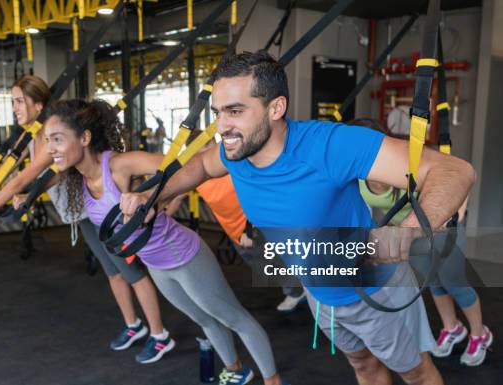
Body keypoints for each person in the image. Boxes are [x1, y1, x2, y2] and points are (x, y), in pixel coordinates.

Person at [120, 51, 476, 385]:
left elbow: (454, 171)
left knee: (416, 374)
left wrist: (408, 232)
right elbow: (199, 165)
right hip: (321, 291)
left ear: (276, 107)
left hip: (373, 287)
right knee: (362, 364)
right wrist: (154, 196)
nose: (222, 126)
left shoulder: (329, 145)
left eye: (235, 111)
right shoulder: (236, 151)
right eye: (217, 112)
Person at [42, 98, 288, 385]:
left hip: (184, 255)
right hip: (156, 264)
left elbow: (180, 168)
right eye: (47, 141)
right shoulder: (76, 180)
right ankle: (236, 371)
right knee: (204, 321)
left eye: (57, 140)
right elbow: (28, 179)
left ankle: (274, 381)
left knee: (234, 318)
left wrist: (155, 199)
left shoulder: (120, 165)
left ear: (84, 138)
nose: (50, 149)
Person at [0, 75, 172, 364]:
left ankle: (160, 336)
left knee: (133, 274)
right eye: (13, 102)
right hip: (86, 215)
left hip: (105, 213)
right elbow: (14, 176)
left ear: (38, 104)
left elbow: (19, 180)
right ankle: (134, 325)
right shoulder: (31, 138)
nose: (15, 108)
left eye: (20, 101)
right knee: (114, 273)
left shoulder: (51, 134)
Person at [352, 118, 492, 367]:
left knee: (455, 284)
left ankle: (480, 334)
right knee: (433, 282)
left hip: (443, 228)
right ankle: (452, 328)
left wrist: (457, 214)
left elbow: (459, 172)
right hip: (412, 234)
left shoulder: (408, 163)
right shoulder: (357, 175)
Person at [165, 133, 307, 313]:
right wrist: (158, 219)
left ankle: (302, 291)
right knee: (264, 266)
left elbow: (257, 192)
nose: (210, 151)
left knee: (280, 259)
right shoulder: (198, 173)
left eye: (210, 145)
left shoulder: (232, 164)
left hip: (255, 224)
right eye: (203, 149)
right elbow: (177, 197)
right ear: (193, 153)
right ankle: (297, 288)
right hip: (234, 231)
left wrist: (250, 227)